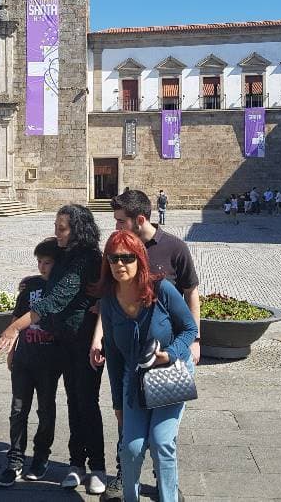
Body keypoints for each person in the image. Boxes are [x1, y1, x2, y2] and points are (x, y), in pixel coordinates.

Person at [92, 189, 200, 501]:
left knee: (162, 441)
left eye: (126, 258)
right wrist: (116, 403)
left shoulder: (163, 285)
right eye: (113, 258)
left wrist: (179, 351)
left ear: (139, 259)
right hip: (134, 379)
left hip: (168, 372)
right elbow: (113, 353)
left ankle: (168, 495)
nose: (119, 263)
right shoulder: (110, 300)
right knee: (132, 446)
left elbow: (189, 319)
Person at [0, 205, 106, 495]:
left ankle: (97, 467)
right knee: (72, 401)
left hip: (85, 342)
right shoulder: (66, 255)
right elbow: (48, 279)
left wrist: (14, 328)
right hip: (64, 342)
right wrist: (31, 281)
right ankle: (76, 463)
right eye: (56, 227)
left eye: (62, 228)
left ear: (77, 229)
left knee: (87, 403)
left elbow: (53, 301)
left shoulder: (88, 258)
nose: (57, 233)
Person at [0, 239, 63, 487]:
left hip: (49, 360)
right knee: (17, 410)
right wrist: (11, 350)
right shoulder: (30, 286)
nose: (42, 267)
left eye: (47, 263)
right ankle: (14, 460)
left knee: (46, 409)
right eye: (39, 262)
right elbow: (17, 317)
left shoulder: (62, 288)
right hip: (25, 357)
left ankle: (41, 456)